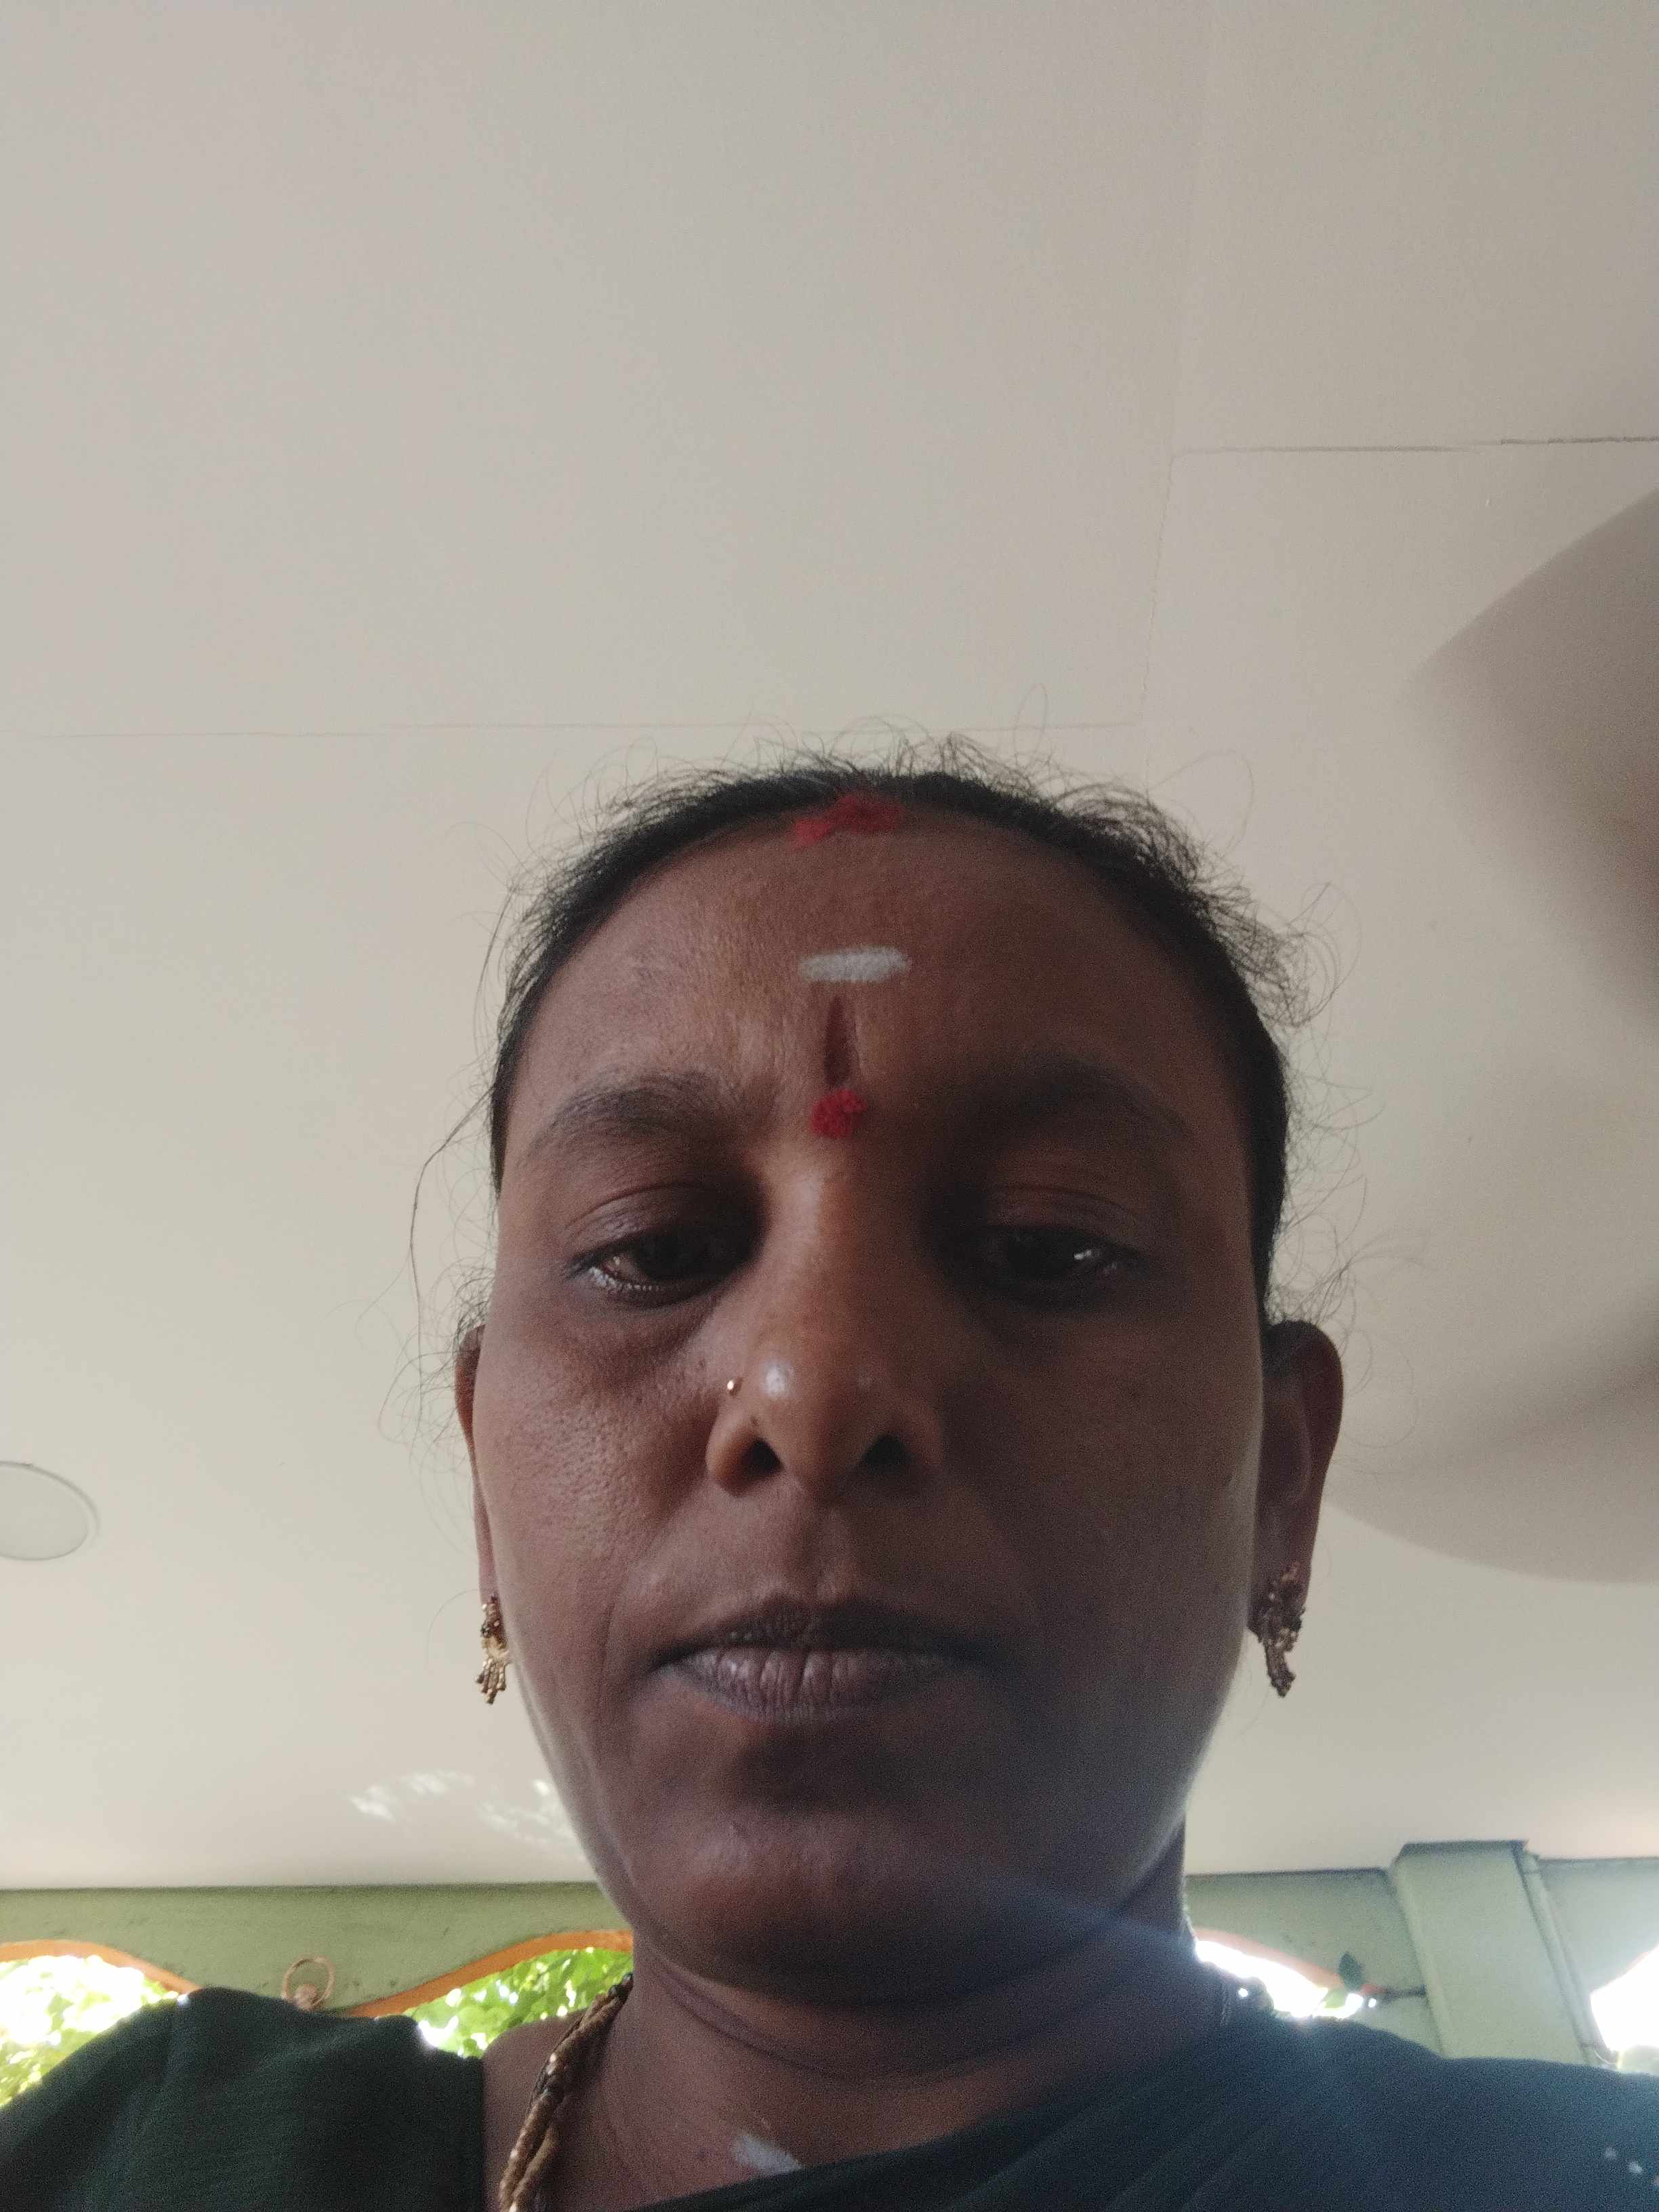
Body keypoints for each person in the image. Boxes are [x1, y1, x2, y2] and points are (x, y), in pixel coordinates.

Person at [4, 743, 1656, 2211]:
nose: (815, 1390)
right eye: (653, 1249)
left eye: (1049, 1244)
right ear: (487, 1494)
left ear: (1283, 1481)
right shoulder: (150, 2158)